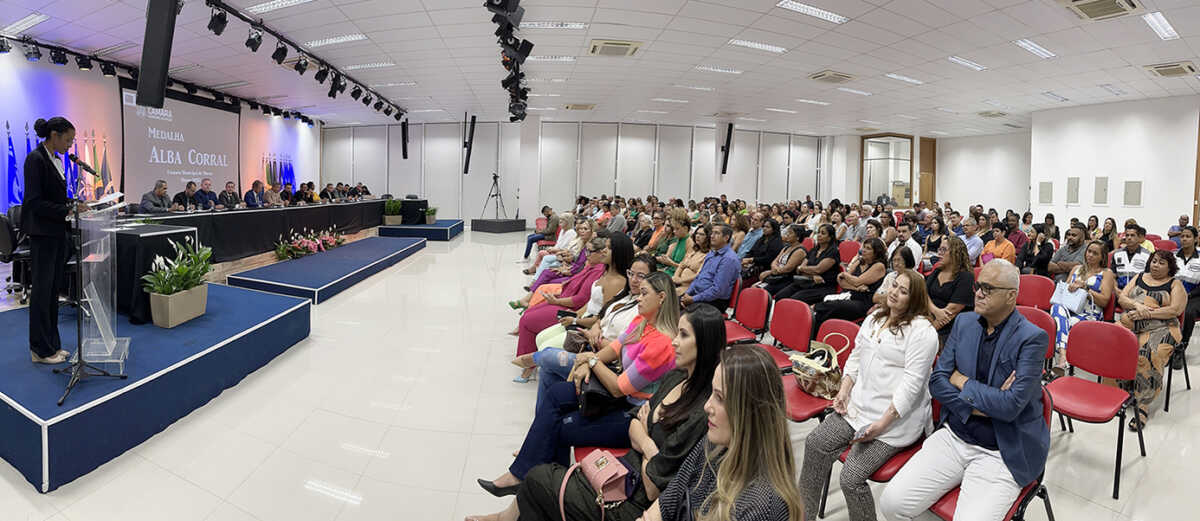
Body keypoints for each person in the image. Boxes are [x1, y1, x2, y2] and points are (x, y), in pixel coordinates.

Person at [473, 304, 725, 521]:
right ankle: (520, 494)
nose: (674, 341)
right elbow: (634, 426)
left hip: (632, 494)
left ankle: (515, 499)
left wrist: (645, 439)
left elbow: (652, 487)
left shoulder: (702, 410)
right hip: (625, 468)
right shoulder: (676, 376)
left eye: (683, 335)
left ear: (704, 343)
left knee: (539, 476)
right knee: (555, 399)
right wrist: (649, 444)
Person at [476, 273, 681, 503]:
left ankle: (543, 486)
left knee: (561, 427)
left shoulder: (661, 343)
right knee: (556, 393)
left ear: (662, 297)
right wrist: (588, 360)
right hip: (617, 396)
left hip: (633, 414)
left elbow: (618, 388)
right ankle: (533, 482)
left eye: (644, 293)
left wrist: (590, 361)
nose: (638, 297)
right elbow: (613, 349)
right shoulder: (641, 322)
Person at [880, 259, 1050, 521]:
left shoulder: (1032, 338)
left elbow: (1010, 407)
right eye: (978, 286)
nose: (979, 292)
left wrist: (962, 381)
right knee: (892, 504)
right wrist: (978, 406)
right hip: (955, 433)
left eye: (988, 288)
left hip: (1002, 450)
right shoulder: (965, 323)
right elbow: (937, 382)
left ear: (1011, 296)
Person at [799, 268, 938, 521]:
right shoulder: (875, 319)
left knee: (851, 478)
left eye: (903, 291)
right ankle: (803, 515)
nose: (894, 293)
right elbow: (856, 356)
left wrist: (881, 424)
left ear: (915, 299)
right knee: (815, 444)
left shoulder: (923, 332)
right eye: (894, 286)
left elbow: (912, 385)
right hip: (859, 407)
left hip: (894, 422)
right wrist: (844, 390)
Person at [637, 346, 804, 521]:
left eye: (720, 398)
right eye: (712, 393)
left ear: (749, 414)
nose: (706, 406)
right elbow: (669, 500)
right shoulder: (713, 445)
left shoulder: (764, 506)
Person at [522, 254, 653, 400]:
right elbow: (602, 316)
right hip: (591, 344)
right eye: (631, 273)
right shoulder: (625, 295)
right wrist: (595, 327)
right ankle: (547, 416)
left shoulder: (642, 310)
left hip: (606, 361)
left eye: (641, 276)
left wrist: (591, 342)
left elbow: (623, 351)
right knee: (547, 371)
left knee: (547, 355)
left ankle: (533, 359)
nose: (634, 280)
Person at [22, 117, 90, 364]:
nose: (70, 145)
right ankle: (39, 349)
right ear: (54, 135)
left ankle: (52, 345)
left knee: (52, 292)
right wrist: (66, 211)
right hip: (42, 235)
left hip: (57, 233)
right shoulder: (36, 159)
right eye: (68, 140)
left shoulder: (56, 160)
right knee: (41, 292)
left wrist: (73, 204)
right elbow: (34, 202)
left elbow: (55, 198)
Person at [512, 236, 626, 373]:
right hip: (580, 314)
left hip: (587, 322)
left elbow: (600, 314)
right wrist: (573, 316)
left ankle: (530, 364)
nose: (603, 251)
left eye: (607, 248)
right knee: (538, 332)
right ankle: (534, 364)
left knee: (536, 331)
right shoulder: (604, 271)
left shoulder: (613, 279)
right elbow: (590, 302)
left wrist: (574, 317)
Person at [1115, 249, 1186, 429]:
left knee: (1147, 353)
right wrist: (1137, 305)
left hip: (1162, 326)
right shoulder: (1139, 276)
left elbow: (1175, 310)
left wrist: (1147, 314)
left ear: (1170, 267)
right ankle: (1116, 391)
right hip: (1132, 320)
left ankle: (1143, 405)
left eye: (1162, 263)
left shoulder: (1175, 284)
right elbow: (1122, 298)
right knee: (1112, 343)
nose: (1156, 265)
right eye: (1154, 261)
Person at [1049, 240, 1114, 372]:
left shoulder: (1106, 273)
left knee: (1064, 323)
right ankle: (1063, 357)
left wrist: (1086, 289)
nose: (1090, 255)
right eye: (1089, 251)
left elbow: (1104, 301)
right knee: (1056, 308)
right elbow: (1063, 295)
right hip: (1069, 308)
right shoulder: (1076, 269)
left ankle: (1061, 358)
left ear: (1102, 257)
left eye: (1095, 253)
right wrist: (1070, 287)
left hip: (1090, 313)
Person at [812, 238, 888, 335]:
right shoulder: (859, 262)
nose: (863, 250)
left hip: (864, 302)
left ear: (876, 252)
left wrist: (846, 276)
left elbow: (856, 280)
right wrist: (857, 287)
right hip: (851, 295)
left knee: (833, 306)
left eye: (868, 248)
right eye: (864, 247)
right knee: (825, 313)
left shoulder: (879, 266)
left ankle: (814, 309)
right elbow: (841, 281)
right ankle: (814, 338)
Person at [925, 236, 976, 347]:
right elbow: (923, 293)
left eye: (944, 250)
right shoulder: (937, 271)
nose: (939, 254)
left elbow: (949, 314)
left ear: (955, 253)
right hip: (930, 317)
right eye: (939, 249)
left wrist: (928, 333)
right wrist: (935, 311)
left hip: (950, 327)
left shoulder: (965, 277)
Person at [775, 224, 840, 304]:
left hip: (823, 286)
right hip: (806, 281)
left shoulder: (833, 252)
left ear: (830, 237)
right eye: (818, 232)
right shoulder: (813, 250)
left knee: (794, 299)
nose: (819, 235)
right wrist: (810, 274)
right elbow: (799, 269)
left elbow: (818, 269)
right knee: (780, 296)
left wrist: (803, 269)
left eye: (823, 233)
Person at [683, 224, 739, 311]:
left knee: (680, 316)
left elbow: (718, 291)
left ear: (726, 238)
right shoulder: (712, 253)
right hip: (698, 295)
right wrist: (687, 293)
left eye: (716, 233)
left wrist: (693, 299)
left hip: (714, 302)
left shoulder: (729, 259)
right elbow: (699, 277)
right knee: (671, 303)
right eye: (712, 233)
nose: (712, 236)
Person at [757, 224, 808, 296]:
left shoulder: (800, 251)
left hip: (786, 280)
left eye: (790, 233)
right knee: (754, 287)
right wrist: (773, 269)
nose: (787, 235)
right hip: (776, 277)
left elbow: (787, 269)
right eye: (787, 232)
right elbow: (775, 261)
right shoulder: (786, 247)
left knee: (760, 292)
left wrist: (771, 272)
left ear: (797, 237)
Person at [1175, 226, 1200, 370]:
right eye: (1182, 236)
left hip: (1195, 295)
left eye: (1188, 236)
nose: (1184, 239)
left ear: (1196, 239)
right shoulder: (1172, 256)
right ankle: (1166, 347)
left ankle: (1180, 349)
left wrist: (1189, 295)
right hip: (1174, 294)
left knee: (1188, 312)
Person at [741, 218, 782, 284]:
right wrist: (745, 259)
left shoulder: (777, 242)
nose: (764, 228)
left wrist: (752, 260)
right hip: (753, 264)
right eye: (764, 226)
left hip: (764, 268)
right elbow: (751, 251)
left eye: (767, 227)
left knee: (742, 281)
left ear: (774, 229)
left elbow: (769, 259)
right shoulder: (762, 238)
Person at [1113, 224, 1152, 290]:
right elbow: (1112, 276)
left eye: (1132, 235)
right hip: (1120, 291)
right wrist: (1117, 290)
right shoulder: (1117, 254)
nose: (1129, 238)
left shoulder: (1147, 255)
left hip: (1139, 292)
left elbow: (1149, 278)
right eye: (1127, 235)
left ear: (1139, 237)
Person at [673, 224, 710, 294]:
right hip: (679, 283)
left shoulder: (708, 255)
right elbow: (681, 265)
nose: (698, 236)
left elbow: (698, 275)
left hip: (690, 288)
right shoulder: (694, 251)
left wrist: (680, 280)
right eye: (697, 233)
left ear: (708, 237)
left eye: (702, 234)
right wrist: (675, 278)